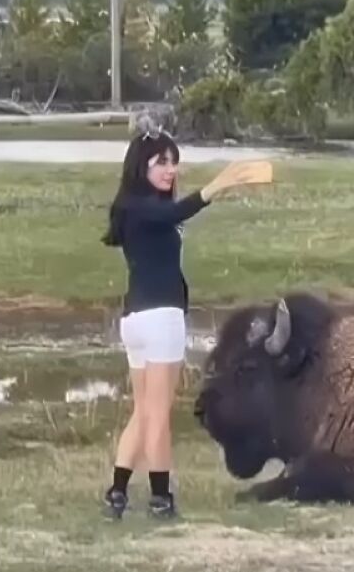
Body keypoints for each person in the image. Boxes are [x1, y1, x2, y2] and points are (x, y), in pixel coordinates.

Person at [101, 123, 260, 520]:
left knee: (142, 411)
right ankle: (160, 499)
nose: (170, 170)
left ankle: (117, 493)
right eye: (161, 163)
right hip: (160, 320)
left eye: (174, 162)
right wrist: (217, 186)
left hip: (136, 321)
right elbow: (175, 211)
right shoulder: (145, 208)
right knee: (157, 415)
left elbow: (169, 214)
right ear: (142, 166)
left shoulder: (133, 208)